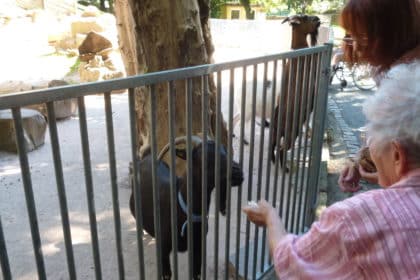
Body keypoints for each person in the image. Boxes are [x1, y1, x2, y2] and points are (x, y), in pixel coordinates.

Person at [243, 62, 420, 279]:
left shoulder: (353, 218)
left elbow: (292, 265)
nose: (368, 149)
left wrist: (271, 218)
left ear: (397, 155)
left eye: (371, 138)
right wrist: (379, 175)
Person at [338, 0, 420, 192]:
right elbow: (395, 133)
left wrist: (396, 178)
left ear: (396, 33)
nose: (356, 47)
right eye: (352, 36)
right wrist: (361, 161)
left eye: (365, 37)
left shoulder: (411, 80)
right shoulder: (391, 70)